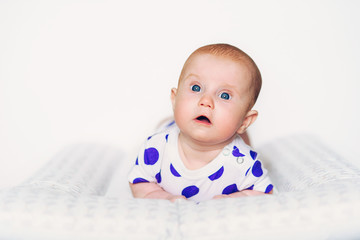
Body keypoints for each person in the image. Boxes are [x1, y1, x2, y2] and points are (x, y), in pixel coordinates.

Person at [128, 43, 273, 202]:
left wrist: (234, 199)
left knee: (242, 140)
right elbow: (139, 181)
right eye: (196, 88)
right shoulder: (156, 148)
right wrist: (163, 197)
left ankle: (240, 131)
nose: (205, 101)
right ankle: (169, 121)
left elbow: (265, 192)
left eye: (224, 96)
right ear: (174, 100)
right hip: (171, 129)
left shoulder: (244, 163)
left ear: (245, 120)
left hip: (233, 140)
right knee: (166, 124)